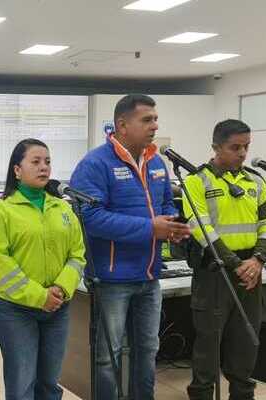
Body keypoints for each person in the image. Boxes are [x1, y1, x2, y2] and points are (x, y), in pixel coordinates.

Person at [70, 94, 191, 400]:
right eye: (147, 120)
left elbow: (165, 204)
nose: (155, 125)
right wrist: (151, 228)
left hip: (149, 275)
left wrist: (172, 229)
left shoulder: (157, 162)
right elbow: (90, 218)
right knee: (107, 355)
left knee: (147, 350)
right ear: (122, 125)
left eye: (155, 119)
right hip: (111, 279)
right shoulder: (95, 163)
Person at [0, 138, 86, 400]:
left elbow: (77, 254)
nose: (44, 168)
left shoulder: (62, 208)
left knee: (50, 384)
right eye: (36, 162)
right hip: (16, 311)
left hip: (57, 307)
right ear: (17, 170)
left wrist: (61, 289)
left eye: (48, 162)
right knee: (22, 385)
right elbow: (2, 266)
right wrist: (40, 297)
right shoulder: (1, 213)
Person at [183, 119, 266, 400]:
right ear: (216, 147)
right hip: (215, 271)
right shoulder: (196, 180)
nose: (242, 153)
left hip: (251, 270)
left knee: (246, 343)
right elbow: (200, 227)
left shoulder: (256, 180)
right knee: (208, 346)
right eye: (234, 147)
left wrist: (259, 259)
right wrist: (235, 264)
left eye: (246, 146)